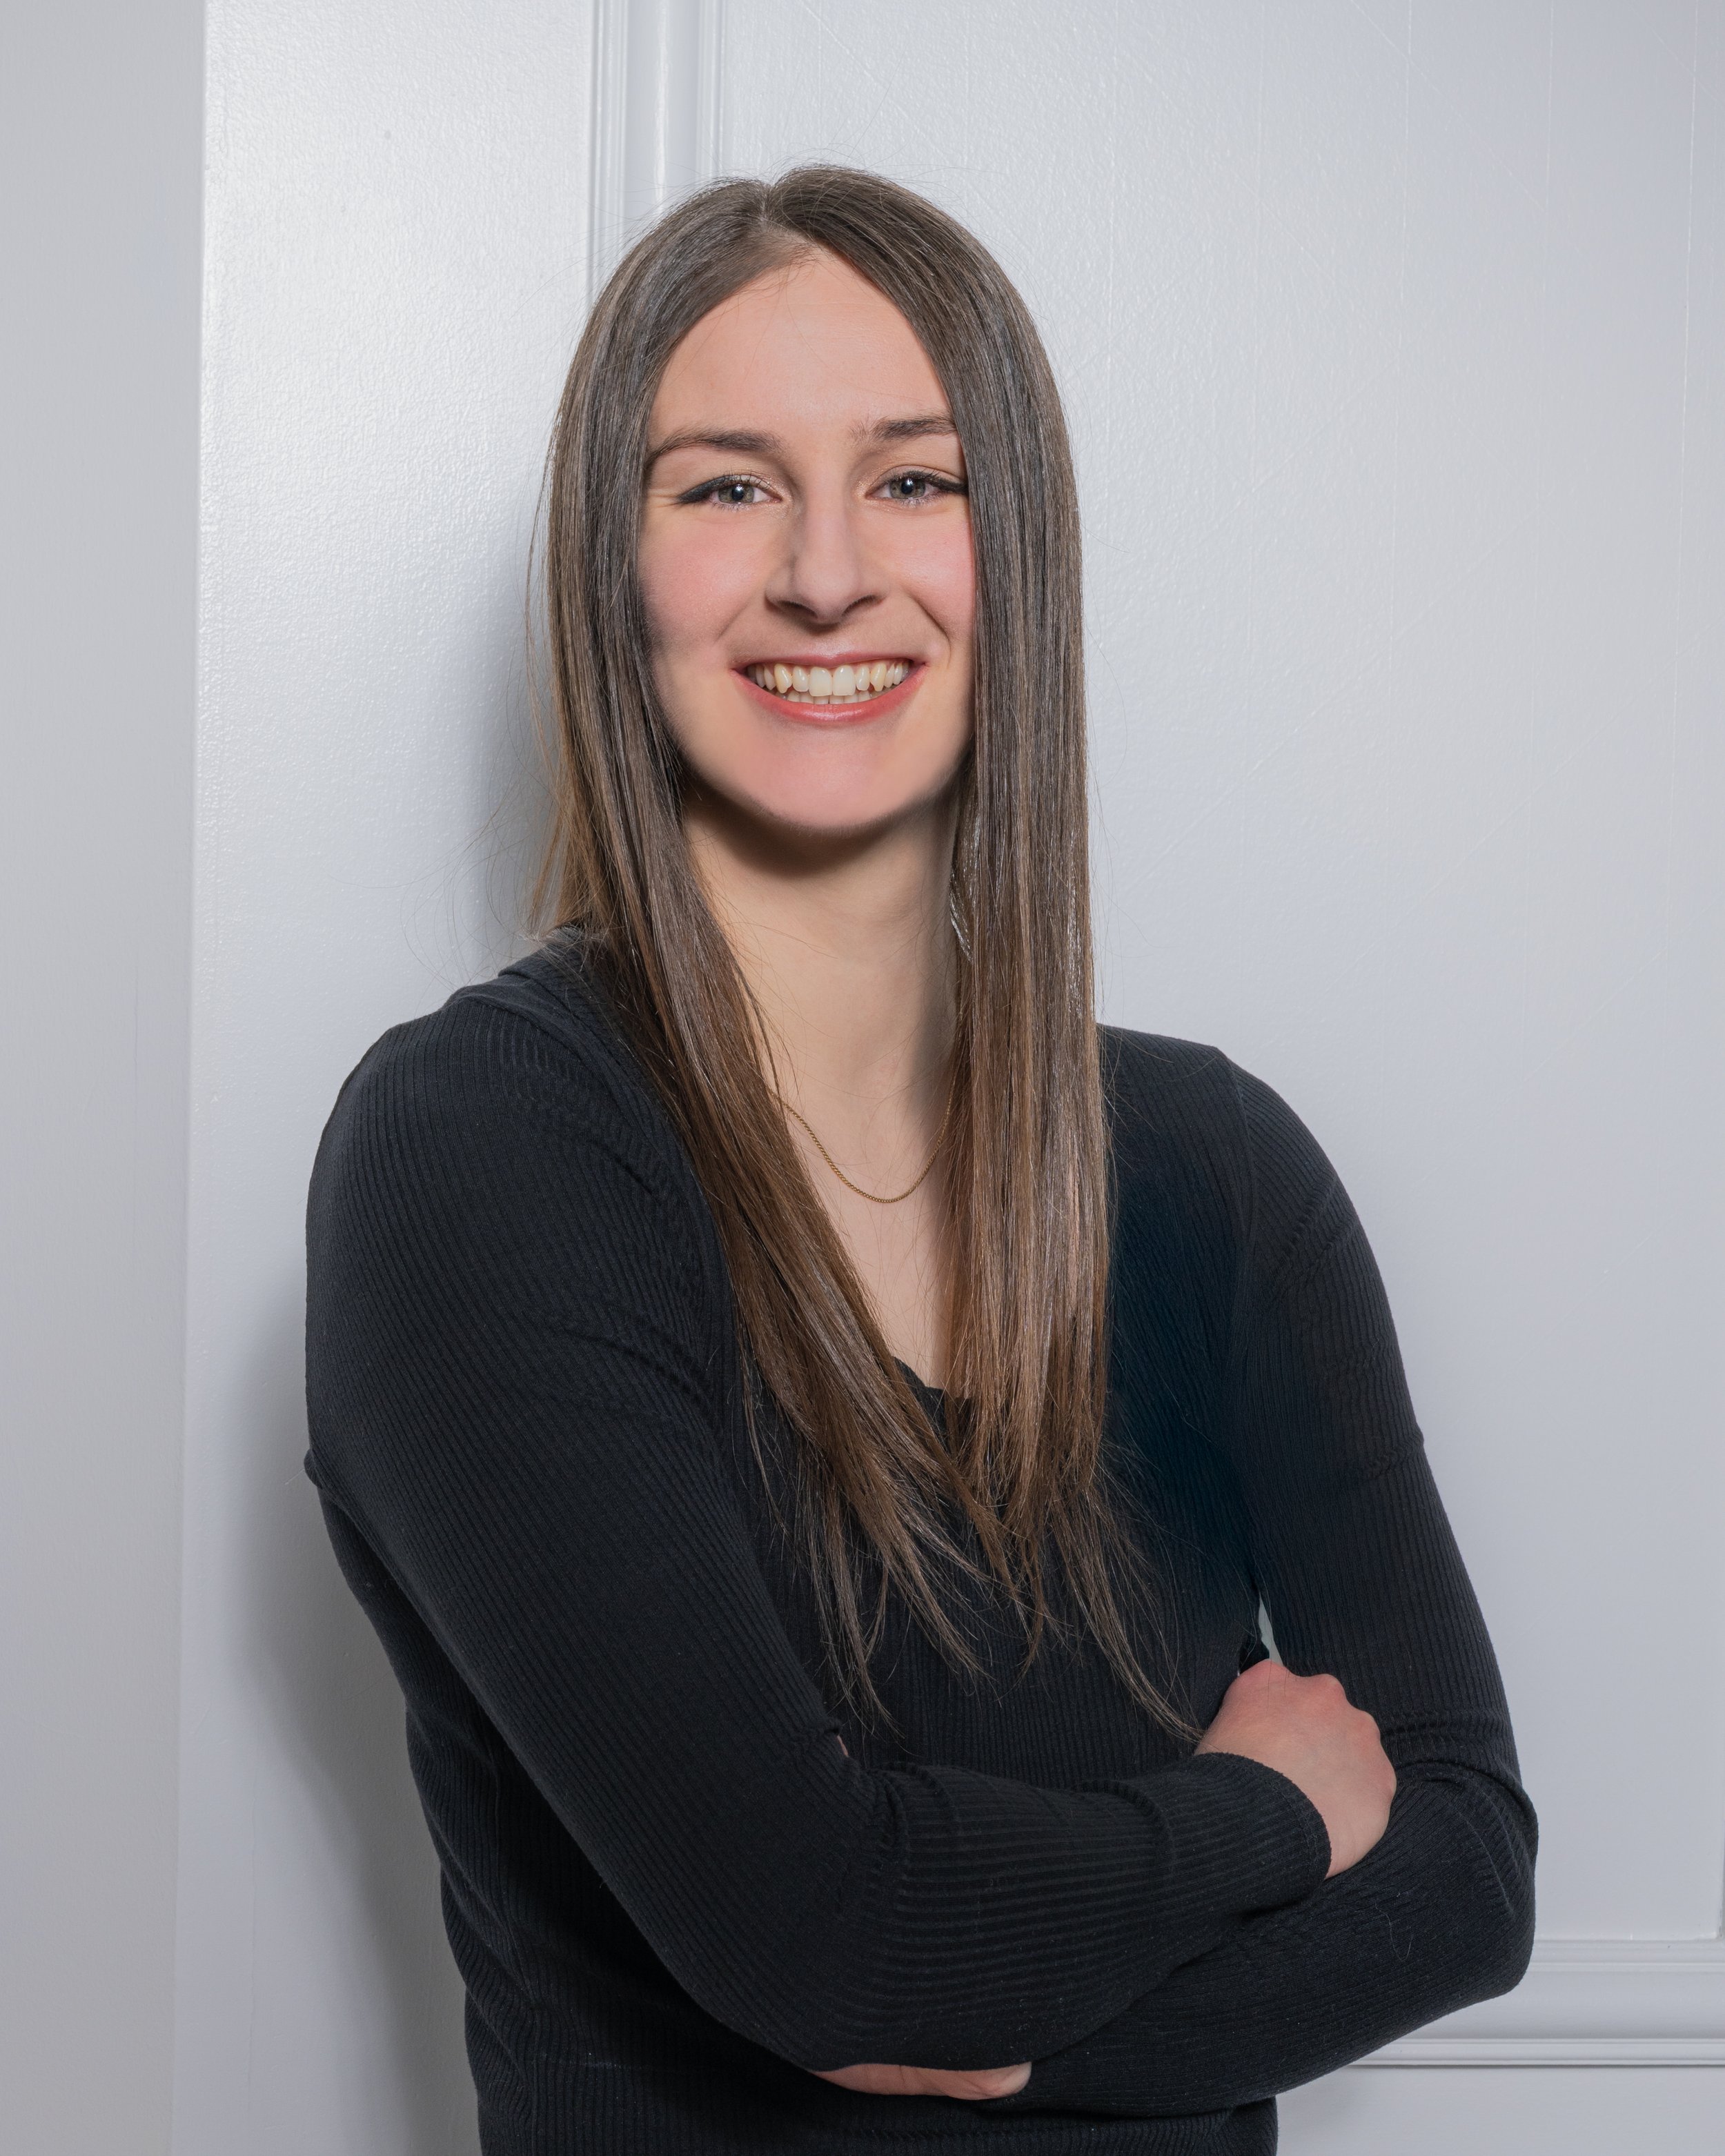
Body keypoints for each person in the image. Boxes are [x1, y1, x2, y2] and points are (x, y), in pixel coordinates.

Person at [304, 167, 1535, 2155]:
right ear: (610, 571)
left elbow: (1469, 1872)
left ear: (1014, 558)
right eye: (721, 487)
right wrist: (1265, 1813)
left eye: (912, 481)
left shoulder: (1215, 1172)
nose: (820, 574)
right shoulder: (484, 1154)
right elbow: (823, 1932)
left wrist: (982, 2024)